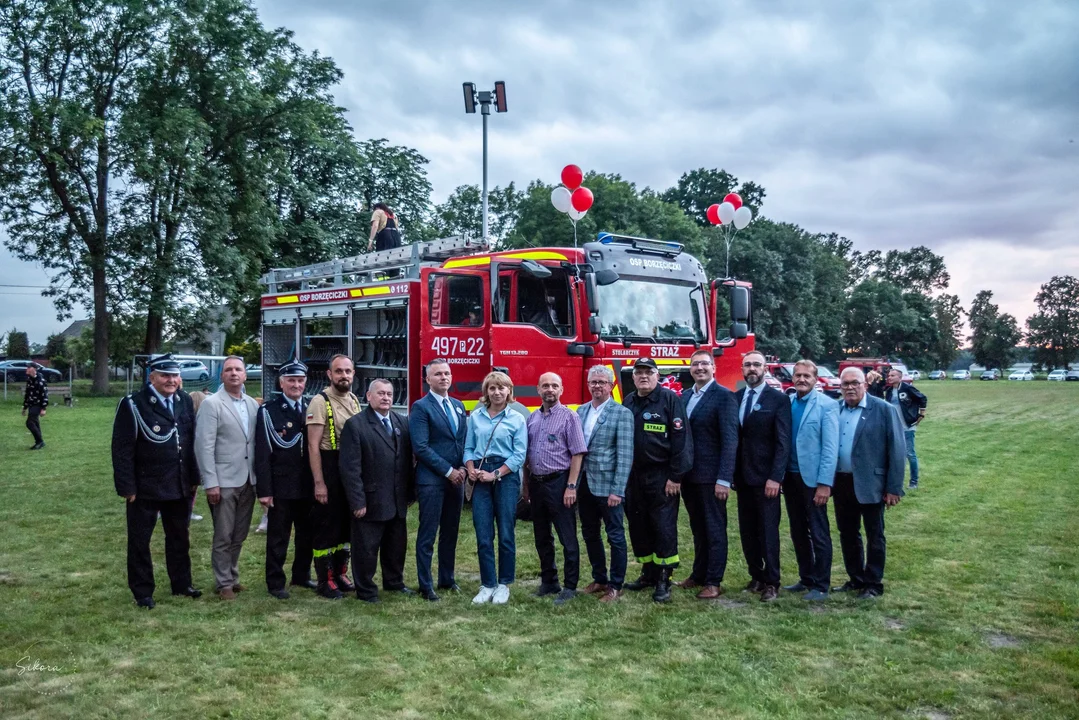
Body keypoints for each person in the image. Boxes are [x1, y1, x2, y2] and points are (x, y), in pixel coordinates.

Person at [111, 353, 201, 609]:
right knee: (140, 541)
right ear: (152, 377)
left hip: (178, 483)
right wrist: (127, 487)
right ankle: (143, 592)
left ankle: (181, 584)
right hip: (145, 486)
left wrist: (194, 477)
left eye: (174, 375)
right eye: (165, 375)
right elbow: (122, 448)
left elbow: (189, 441)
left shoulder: (184, 400)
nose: (171, 380)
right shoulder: (134, 404)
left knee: (179, 537)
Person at [832, 367, 906, 599]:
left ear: (865, 384)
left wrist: (893, 487)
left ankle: (873, 583)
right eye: (845, 384)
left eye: (855, 383)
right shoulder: (835, 409)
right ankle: (856, 578)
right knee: (848, 533)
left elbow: (897, 450)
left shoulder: (884, 410)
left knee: (875, 534)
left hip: (872, 483)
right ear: (840, 386)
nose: (850, 387)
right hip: (842, 483)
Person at [623, 358, 692, 603]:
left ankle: (664, 577)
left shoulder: (670, 400)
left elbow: (681, 441)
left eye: (648, 372)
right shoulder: (629, 401)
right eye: (638, 372)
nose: (643, 376)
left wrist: (676, 477)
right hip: (634, 476)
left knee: (663, 527)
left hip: (662, 476)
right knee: (639, 526)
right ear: (633, 377)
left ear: (657, 375)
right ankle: (648, 573)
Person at [339, 379, 415, 603]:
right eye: (380, 393)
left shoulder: (401, 422)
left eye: (389, 394)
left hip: (397, 498)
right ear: (368, 396)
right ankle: (366, 589)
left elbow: (407, 461)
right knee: (366, 549)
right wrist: (357, 501)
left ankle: (394, 582)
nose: (386, 398)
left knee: (396, 546)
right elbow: (350, 468)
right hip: (370, 501)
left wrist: (410, 493)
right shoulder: (356, 425)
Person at [194, 356, 259, 600]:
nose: (234, 373)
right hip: (223, 481)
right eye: (228, 370)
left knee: (239, 534)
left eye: (238, 369)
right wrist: (210, 482)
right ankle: (223, 583)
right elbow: (204, 445)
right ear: (222, 375)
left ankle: (233, 575)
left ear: (245, 375)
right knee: (223, 534)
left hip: (247, 480)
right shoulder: (212, 404)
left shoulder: (252, 404)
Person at [678, 350, 739, 599]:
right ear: (690, 369)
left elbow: (730, 440)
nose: (700, 368)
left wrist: (724, 478)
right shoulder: (684, 397)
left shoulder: (724, 397)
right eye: (695, 364)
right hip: (690, 477)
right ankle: (698, 574)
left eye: (705, 364)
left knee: (714, 529)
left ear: (714, 367)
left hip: (712, 478)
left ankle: (714, 580)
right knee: (698, 528)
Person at [524, 372, 587, 606]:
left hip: (559, 483)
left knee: (567, 537)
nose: (549, 389)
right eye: (545, 386)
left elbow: (578, 453)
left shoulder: (569, 417)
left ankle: (570, 586)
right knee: (542, 536)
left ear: (561, 390)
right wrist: (526, 486)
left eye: (554, 386)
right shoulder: (532, 418)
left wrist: (571, 486)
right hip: (537, 484)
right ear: (538, 389)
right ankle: (549, 581)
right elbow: (527, 456)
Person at [465, 371, 528, 605]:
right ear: (486, 392)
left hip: (505, 476)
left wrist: (496, 474)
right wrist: (471, 468)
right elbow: (469, 448)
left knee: (505, 533)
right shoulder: (476, 417)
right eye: (492, 388)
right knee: (483, 534)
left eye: (502, 388)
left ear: (509, 391)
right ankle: (487, 584)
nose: (497, 392)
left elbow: (519, 454)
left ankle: (503, 584)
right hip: (481, 475)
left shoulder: (517, 419)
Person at [254, 360, 315, 600]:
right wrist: (265, 490)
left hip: (307, 485)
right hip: (281, 485)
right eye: (291, 380)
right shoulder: (269, 411)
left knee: (306, 534)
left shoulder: (311, 407)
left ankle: (301, 574)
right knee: (279, 536)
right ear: (282, 383)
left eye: (300, 381)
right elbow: (263, 453)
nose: (296, 385)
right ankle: (275, 581)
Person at [734, 350, 792, 603]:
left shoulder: (778, 400)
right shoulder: (735, 398)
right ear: (742, 369)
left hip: (766, 478)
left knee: (768, 531)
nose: (752, 369)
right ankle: (756, 576)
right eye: (747, 365)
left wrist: (775, 477)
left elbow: (783, 443)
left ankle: (772, 581)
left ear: (765, 369)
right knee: (747, 531)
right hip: (742, 478)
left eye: (757, 364)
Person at [408, 359, 468, 602]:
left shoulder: (458, 405)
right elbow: (420, 447)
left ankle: (447, 578)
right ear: (428, 379)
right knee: (428, 533)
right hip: (432, 480)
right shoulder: (421, 407)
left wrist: (464, 467)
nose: (444, 377)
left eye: (447, 373)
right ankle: (426, 584)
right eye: (438, 374)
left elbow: (461, 442)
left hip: (457, 479)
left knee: (450, 532)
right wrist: (448, 471)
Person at [576, 365, 634, 603]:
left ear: (611, 386)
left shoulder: (622, 413)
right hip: (584, 484)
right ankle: (599, 578)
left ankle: (616, 585)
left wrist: (617, 490)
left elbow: (625, 454)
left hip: (609, 487)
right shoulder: (579, 411)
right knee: (590, 533)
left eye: (602, 382)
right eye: (593, 382)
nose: (597, 386)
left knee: (615, 536)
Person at [306, 354, 361, 599]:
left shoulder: (354, 399)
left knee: (346, 526)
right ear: (329, 374)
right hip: (329, 467)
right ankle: (324, 580)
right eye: (338, 371)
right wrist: (319, 483)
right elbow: (312, 446)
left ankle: (341, 572)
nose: (343, 376)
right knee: (326, 526)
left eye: (347, 371)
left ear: (353, 374)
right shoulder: (320, 401)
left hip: (349, 469)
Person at [783, 360, 839, 601]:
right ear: (792, 378)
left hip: (813, 481)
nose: (802, 379)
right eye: (798, 375)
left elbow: (830, 448)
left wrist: (825, 483)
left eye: (807, 375)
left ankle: (821, 584)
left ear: (815, 379)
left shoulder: (827, 406)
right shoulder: (788, 402)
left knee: (818, 531)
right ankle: (806, 577)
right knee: (797, 530)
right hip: (791, 477)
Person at [869, 367, 927, 489]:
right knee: (891, 454)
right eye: (889, 375)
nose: (890, 377)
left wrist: (921, 414)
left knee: (910, 454)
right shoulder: (889, 391)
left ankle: (913, 482)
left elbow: (922, 398)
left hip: (907, 426)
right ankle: (892, 482)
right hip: (894, 427)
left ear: (900, 377)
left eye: (893, 375)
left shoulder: (907, 388)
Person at [22, 363, 49, 450]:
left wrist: (44, 408)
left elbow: (44, 395)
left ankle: (40, 441)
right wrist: (25, 407)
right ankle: (39, 442)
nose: (27, 369)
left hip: (37, 405)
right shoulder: (29, 380)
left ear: (34, 369)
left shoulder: (41, 380)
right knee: (36, 423)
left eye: (29, 367)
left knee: (29, 423)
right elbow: (27, 394)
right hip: (31, 405)